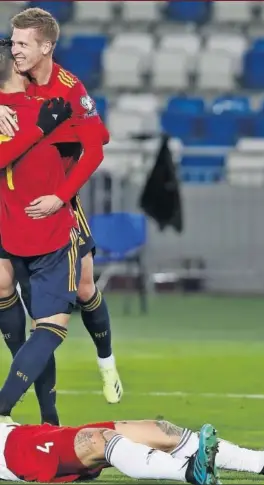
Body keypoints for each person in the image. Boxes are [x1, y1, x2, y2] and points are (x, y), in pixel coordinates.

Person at [0, 7, 123, 406]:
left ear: (46, 46)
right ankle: (32, 405)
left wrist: (60, 196)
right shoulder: (9, 79)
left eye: (22, 43)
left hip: (57, 199)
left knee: (86, 287)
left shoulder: (68, 88)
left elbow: (95, 144)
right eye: (12, 42)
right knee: (11, 291)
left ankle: (107, 362)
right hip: (12, 202)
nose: (14, 49)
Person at [0, 37, 81, 424]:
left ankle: (48, 418)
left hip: (11, 228)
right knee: (48, 328)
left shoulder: (23, 109)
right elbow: (92, 143)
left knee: (29, 329)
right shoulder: (43, 112)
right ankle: (18, 409)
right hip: (41, 233)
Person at [0, 416, 264, 483]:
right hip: (13, 450)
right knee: (98, 441)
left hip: (28, 433)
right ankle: (190, 472)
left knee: (159, 430)